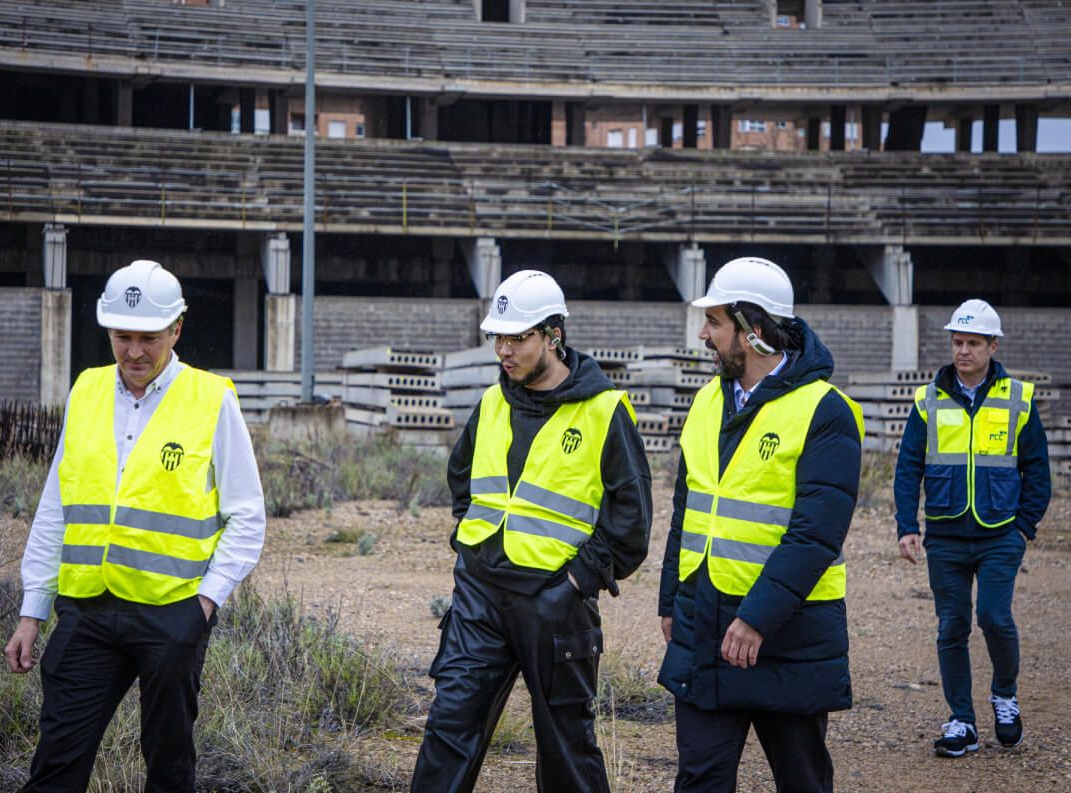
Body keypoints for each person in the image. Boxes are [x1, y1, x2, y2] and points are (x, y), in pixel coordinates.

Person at [4, 260, 266, 792]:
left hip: (172, 615)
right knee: (55, 763)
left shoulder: (211, 399)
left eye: (148, 338)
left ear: (176, 329)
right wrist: (32, 610)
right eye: (122, 337)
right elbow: (56, 504)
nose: (134, 352)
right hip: (88, 613)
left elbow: (247, 515)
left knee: (168, 767)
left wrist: (205, 605)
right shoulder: (87, 390)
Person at [412, 269, 653, 793]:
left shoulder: (603, 411)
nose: (504, 349)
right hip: (479, 598)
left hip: (554, 603)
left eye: (517, 337)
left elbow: (631, 522)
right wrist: (474, 547)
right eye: (498, 337)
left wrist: (575, 582)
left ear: (553, 335)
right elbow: (462, 479)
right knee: (449, 728)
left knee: (567, 748)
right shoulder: (493, 401)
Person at [657, 257, 863, 793]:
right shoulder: (706, 401)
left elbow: (816, 533)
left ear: (752, 331)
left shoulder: (825, 411)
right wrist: (670, 600)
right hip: (704, 623)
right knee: (699, 779)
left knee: (802, 780)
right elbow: (689, 508)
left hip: (786, 635)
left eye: (715, 322)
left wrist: (756, 619)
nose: (703, 334)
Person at [893, 298, 1050, 757]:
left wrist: (1024, 527)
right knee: (952, 626)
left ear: (992, 346)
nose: (963, 350)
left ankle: (1004, 695)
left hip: (1001, 532)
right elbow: (907, 469)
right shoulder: (927, 399)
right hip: (944, 533)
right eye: (957, 342)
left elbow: (1038, 469)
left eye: (973, 343)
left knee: (994, 617)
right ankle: (962, 720)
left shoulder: (1019, 397)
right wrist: (908, 525)